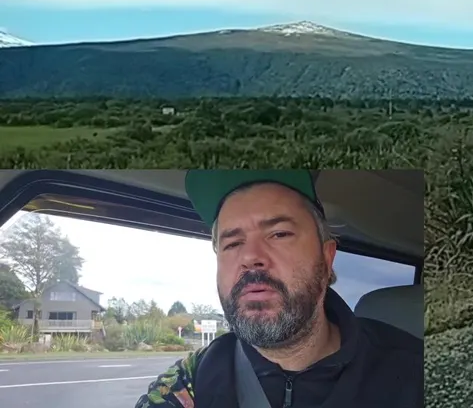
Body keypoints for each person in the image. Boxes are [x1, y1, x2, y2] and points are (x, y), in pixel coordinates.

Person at [133, 170, 423, 408]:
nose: (250, 257)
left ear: (326, 258)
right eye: (232, 244)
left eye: (279, 234)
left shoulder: (416, 373)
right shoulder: (192, 380)